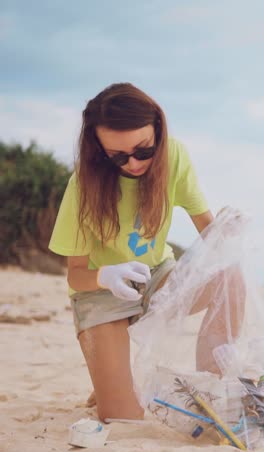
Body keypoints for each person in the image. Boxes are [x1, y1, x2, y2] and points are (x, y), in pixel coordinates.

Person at [49, 82, 244, 422]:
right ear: (99, 150)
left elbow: (209, 235)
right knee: (124, 419)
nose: (134, 164)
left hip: (157, 280)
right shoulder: (83, 183)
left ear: (158, 129)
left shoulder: (175, 155)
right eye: (118, 157)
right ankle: (111, 383)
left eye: (143, 150)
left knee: (230, 274)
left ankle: (212, 393)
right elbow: (76, 275)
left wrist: (226, 231)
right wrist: (106, 275)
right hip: (102, 293)